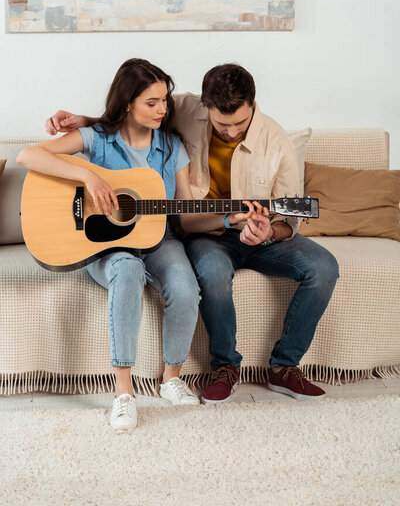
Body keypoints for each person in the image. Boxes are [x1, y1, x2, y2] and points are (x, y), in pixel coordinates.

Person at [45, 63, 340, 405]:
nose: (231, 132)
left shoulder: (277, 143)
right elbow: (133, 111)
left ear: (253, 106)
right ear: (205, 107)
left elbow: (289, 222)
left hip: (260, 232)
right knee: (211, 273)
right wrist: (85, 123)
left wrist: (268, 230)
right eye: (222, 124)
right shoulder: (180, 108)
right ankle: (225, 367)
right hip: (206, 230)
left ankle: (284, 367)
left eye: (240, 124)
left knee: (324, 267)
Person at [18, 58, 208, 432]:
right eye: (151, 102)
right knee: (127, 269)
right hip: (104, 246)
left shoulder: (172, 147)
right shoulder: (97, 137)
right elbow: (30, 155)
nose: (161, 110)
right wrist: (87, 175)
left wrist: (229, 217)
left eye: (164, 102)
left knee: (186, 287)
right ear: (127, 103)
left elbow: (186, 214)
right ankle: (124, 393)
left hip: (159, 238)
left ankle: (171, 378)